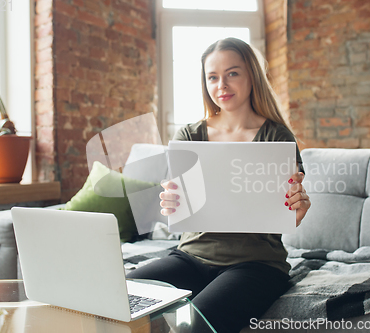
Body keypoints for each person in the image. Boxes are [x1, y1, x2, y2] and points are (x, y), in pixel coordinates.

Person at [128, 37, 311, 332]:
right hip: (190, 256)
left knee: (192, 326)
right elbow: (181, 207)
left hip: (256, 264)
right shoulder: (190, 135)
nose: (221, 85)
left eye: (232, 73)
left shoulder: (277, 137)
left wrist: (295, 209)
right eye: (212, 77)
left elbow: (289, 213)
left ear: (252, 75)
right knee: (121, 295)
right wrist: (170, 204)